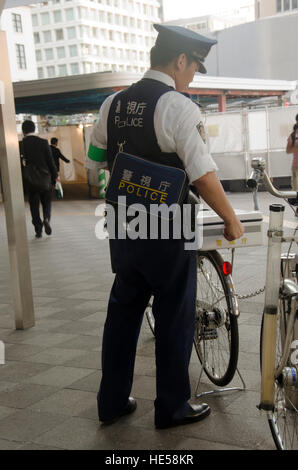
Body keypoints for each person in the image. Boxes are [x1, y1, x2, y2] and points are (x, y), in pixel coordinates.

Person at [85, 24, 244, 429]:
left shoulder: (112, 104)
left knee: (123, 311)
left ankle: (112, 401)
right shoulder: (178, 107)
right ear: (179, 60)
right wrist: (230, 218)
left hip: (123, 223)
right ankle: (172, 407)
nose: (192, 77)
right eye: (193, 69)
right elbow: (203, 174)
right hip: (169, 225)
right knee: (175, 314)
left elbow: (94, 163)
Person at [20, 120, 57, 238]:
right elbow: (50, 161)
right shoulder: (43, 143)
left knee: (34, 205)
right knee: (46, 202)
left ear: (23, 131)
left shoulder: (20, 145)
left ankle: (38, 229)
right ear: (34, 129)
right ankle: (46, 218)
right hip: (45, 178)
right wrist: (55, 176)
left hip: (30, 181)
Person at [286, 114, 298, 191]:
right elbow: (288, 150)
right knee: (296, 190)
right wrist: (296, 147)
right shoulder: (293, 136)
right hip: (296, 167)